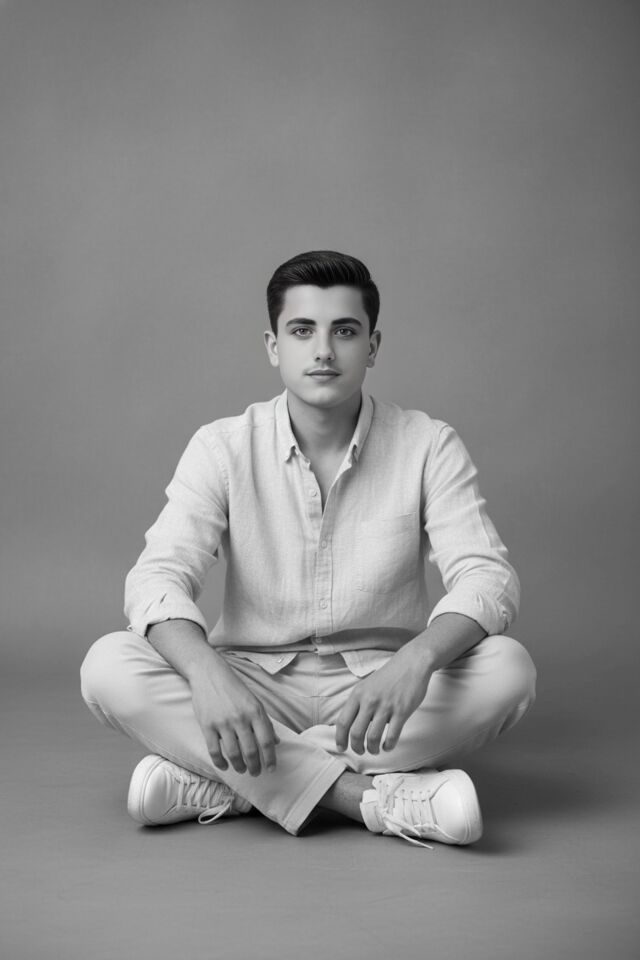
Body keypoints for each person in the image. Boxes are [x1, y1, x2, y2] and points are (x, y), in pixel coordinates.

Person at [80, 250, 536, 848]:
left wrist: (417, 660)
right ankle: (367, 799)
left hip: (379, 691)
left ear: (372, 346)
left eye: (344, 331)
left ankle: (232, 783)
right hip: (252, 687)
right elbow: (156, 578)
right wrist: (207, 674)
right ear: (274, 346)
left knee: (508, 669)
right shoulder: (222, 447)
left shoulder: (428, 445)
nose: (323, 350)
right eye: (302, 331)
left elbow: (488, 577)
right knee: (108, 665)